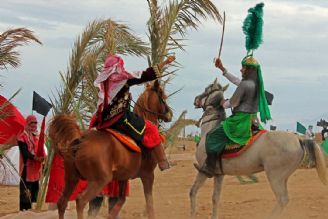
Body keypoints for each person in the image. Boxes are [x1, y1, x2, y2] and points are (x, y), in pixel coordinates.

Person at [90, 54, 175, 171]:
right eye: (121, 65)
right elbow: (146, 75)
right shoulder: (122, 78)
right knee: (151, 128)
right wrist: (164, 63)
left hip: (103, 119)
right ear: (118, 66)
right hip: (119, 118)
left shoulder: (104, 80)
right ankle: (162, 162)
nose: (122, 68)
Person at [197, 56, 271, 178]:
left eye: (243, 67)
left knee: (212, 136)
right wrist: (222, 69)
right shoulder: (256, 84)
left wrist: (223, 103)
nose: (241, 70)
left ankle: (210, 167)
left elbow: (233, 103)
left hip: (239, 121)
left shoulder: (245, 85)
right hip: (253, 120)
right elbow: (236, 81)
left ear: (249, 70)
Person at [17, 115, 45, 211]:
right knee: (26, 191)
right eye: (31, 123)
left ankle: (30, 211)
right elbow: (25, 153)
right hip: (27, 168)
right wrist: (35, 158)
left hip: (36, 169)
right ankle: (23, 212)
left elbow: (41, 150)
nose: (33, 125)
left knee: (33, 190)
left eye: (35, 123)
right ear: (27, 123)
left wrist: (42, 158)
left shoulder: (37, 137)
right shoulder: (22, 137)